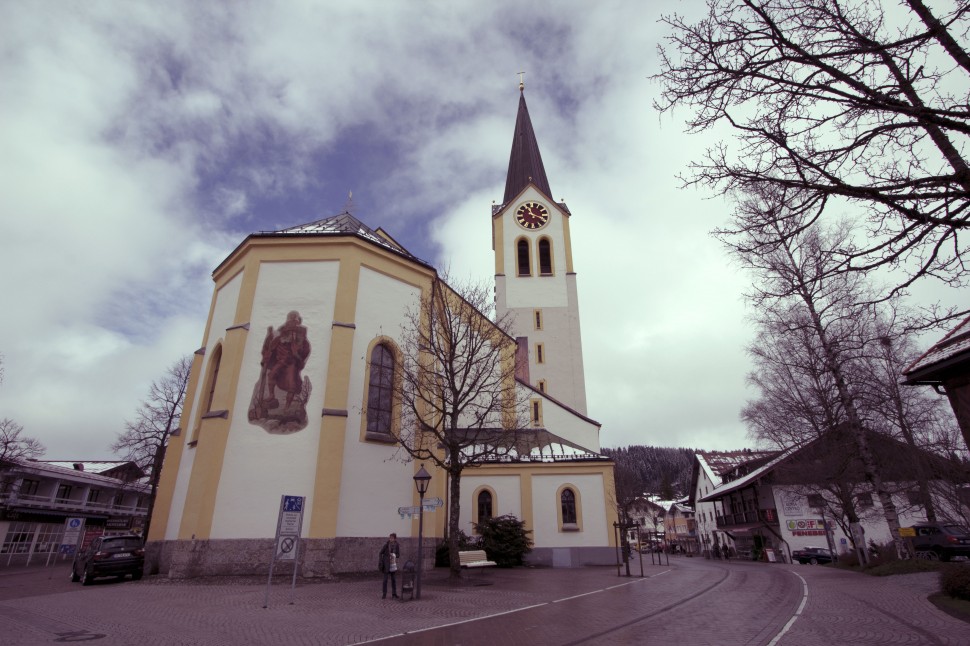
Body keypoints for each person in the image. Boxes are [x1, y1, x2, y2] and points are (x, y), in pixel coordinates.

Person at [379, 533, 400, 599]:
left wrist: (394, 555)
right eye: (390, 538)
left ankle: (394, 594)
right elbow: (380, 553)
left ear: (395, 539)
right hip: (386, 565)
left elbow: (398, 555)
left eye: (392, 538)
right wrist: (381, 561)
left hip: (393, 565)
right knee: (385, 580)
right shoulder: (386, 545)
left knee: (393, 580)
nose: (390, 539)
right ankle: (384, 594)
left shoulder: (397, 545)